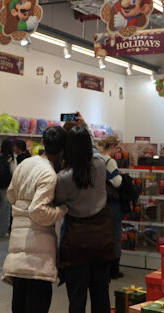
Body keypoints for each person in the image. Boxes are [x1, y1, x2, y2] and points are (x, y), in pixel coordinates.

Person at [2, 126, 68, 313]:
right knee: (37, 302)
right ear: (63, 148)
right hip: (38, 251)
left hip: (18, 242)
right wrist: (61, 209)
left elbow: (11, 194)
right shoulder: (49, 174)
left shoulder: (25, 164)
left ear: (43, 142)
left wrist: (22, 207)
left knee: (19, 301)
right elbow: (38, 211)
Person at [55, 119, 115, 313]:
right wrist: (84, 128)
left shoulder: (64, 177)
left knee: (77, 297)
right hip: (101, 238)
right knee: (101, 295)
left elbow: (58, 200)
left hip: (76, 241)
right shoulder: (99, 165)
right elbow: (94, 149)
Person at [98, 135, 124, 279]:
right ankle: (114, 269)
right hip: (112, 203)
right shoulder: (110, 161)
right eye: (117, 148)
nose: (117, 151)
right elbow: (117, 182)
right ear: (112, 146)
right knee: (115, 234)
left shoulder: (98, 159)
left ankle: (104, 268)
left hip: (101, 202)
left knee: (104, 235)